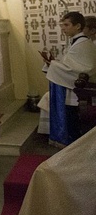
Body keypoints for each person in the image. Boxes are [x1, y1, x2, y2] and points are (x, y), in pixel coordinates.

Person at [41, 11, 96, 145]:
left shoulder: (82, 44)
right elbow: (71, 64)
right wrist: (56, 63)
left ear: (77, 26)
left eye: (66, 25)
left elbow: (84, 69)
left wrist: (53, 64)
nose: (63, 28)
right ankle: (71, 141)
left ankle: (73, 142)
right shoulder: (78, 42)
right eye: (62, 25)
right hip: (74, 86)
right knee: (71, 117)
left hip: (80, 90)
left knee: (72, 118)